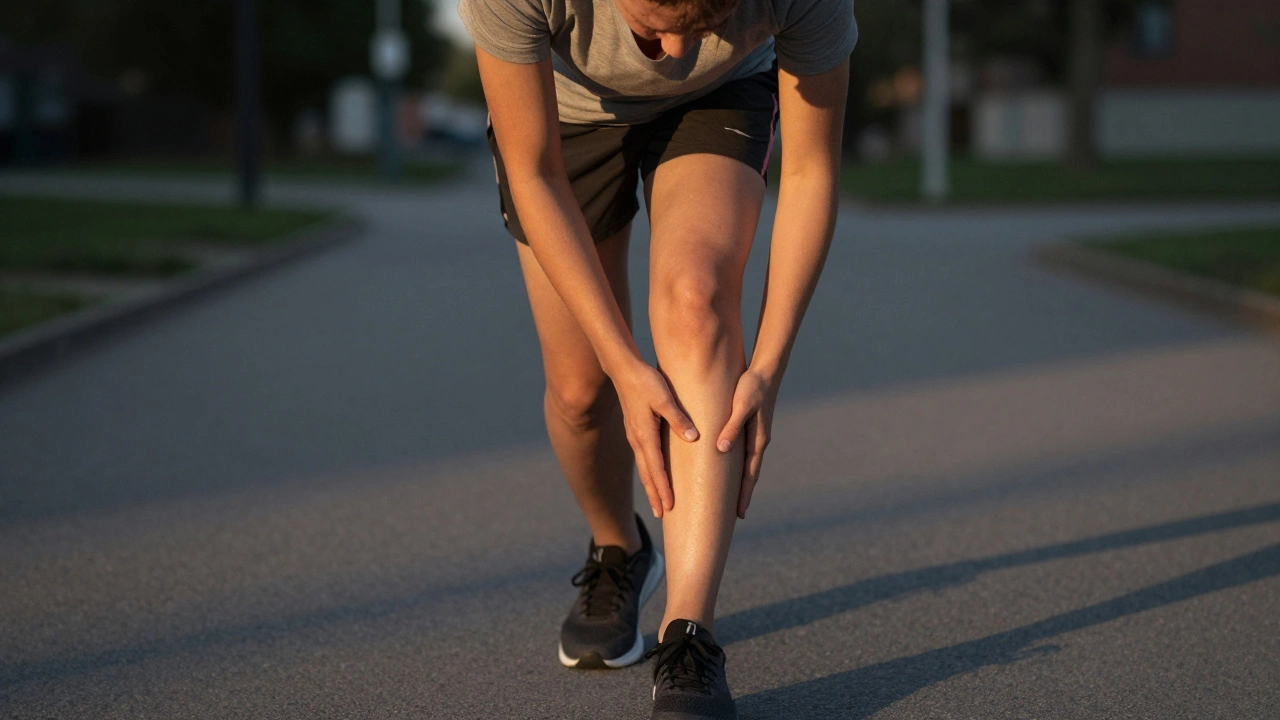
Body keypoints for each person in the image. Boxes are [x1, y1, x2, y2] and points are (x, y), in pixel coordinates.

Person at [456, 0, 856, 714]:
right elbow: (533, 171)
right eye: (651, 27)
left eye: (703, 27)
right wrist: (621, 362)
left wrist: (768, 365)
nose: (674, 56)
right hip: (565, 117)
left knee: (697, 303)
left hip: (720, 101)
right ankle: (619, 547)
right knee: (582, 393)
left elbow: (811, 173)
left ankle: (688, 636)